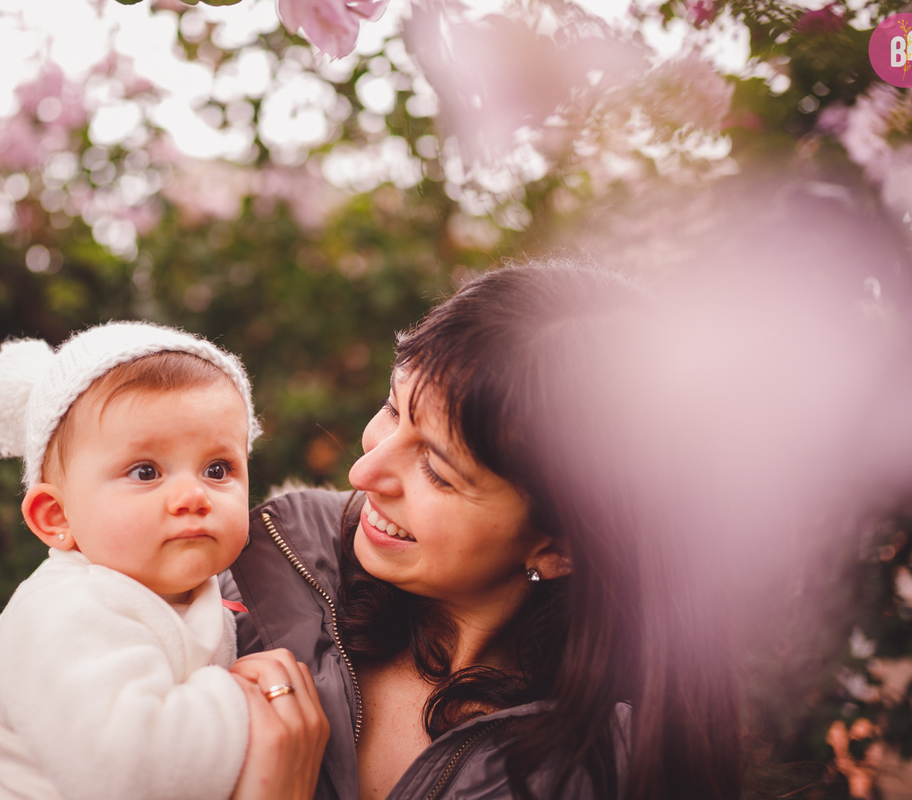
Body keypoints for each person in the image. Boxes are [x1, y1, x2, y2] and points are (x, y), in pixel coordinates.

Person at [226, 262, 744, 800]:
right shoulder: (255, 573)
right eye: (392, 409)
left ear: (560, 546)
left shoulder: (596, 777)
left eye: (437, 471)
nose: (364, 474)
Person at [0, 321, 328, 800]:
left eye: (217, 469)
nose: (191, 495)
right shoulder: (64, 612)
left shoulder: (191, 595)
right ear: (57, 517)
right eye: (145, 471)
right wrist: (247, 697)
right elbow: (135, 769)